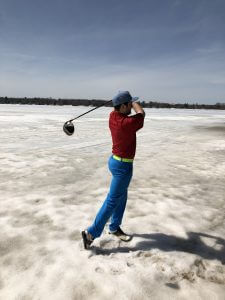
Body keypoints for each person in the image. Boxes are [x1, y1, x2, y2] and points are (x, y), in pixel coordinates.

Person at [82, 91, 145, 249]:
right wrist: (136, 103)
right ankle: (91, 233)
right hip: (122, 167)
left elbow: (126, 111)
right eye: (129, 104)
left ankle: (114, 227)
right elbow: (141, 114)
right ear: (123, 106)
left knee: (121, 196)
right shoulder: (127, 123)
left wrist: (125, 102)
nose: (131, 105)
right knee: (112, 201)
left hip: (115, 162)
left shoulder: (113, 116)